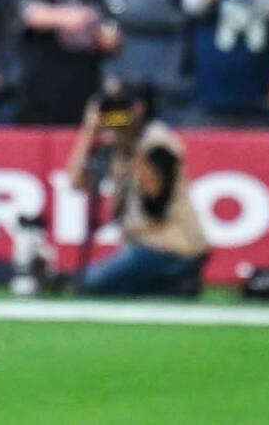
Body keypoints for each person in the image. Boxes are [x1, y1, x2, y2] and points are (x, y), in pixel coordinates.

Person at [67, 80, 208, 297]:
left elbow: (156, 198)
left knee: (92, 283)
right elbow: (77, 182)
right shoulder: (114, 142)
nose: (113, 115)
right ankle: (171, 286)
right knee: (84, 282)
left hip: (172, 246)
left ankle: (175, 279)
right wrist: (89, 131)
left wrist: (129, 145)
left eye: (118, 108)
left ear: (138, 108)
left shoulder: (158, 141)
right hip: (145, 246)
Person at [17, 0, 116, 125]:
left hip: (84, 101)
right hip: (40, 101)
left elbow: (111, 38)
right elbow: (30, 15)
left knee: (121, 120)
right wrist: (72, 18)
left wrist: (102, 36)